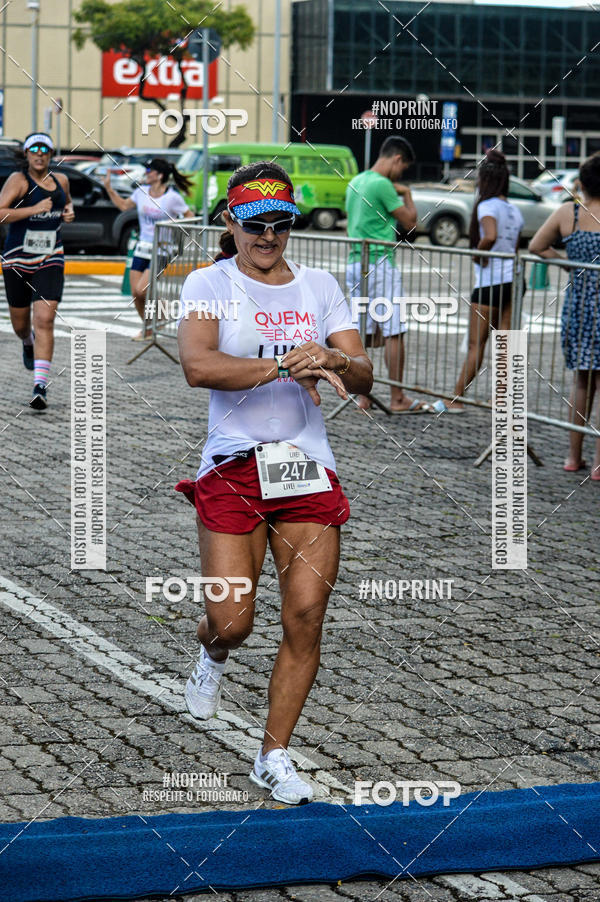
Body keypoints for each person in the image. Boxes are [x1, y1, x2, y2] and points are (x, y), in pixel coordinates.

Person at [175, 161, 372, 804]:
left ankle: (274, 754)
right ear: (231, 223)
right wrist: (287, 364)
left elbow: (364, 371)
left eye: (280, 223)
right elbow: (198, 366)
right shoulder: (209, 281)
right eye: (255, 224)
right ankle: (211, 651)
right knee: (232, 621)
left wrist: (336, 357)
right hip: (234, 464)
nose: (268, 236)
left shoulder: (318, 284)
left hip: (305, 464)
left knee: (307, 615)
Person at [437, 150, 524, 413]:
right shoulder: (514, 209)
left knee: (477, 344)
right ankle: (503, 399)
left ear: (484, 181)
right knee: (506, 345)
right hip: (514, 280)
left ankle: (455, 399)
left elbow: (490, 236)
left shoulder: (487, 206)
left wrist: (479, 254)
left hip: (490, 283)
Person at [530, 151, 600, 479]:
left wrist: (567, 263)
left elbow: (536, 246)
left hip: (579, 306)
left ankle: (574, 457)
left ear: (582, 183)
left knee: (581, 381)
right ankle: (599, 464)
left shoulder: (568, 212)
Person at [345, 135, 425, 412]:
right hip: (380, 262)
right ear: (397, 159)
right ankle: (397, 397)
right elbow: (411, 223)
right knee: (394, 330)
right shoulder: (382, 185)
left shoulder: (356, 181)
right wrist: (407, 194)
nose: (401, 174)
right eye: (402, 169)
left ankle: (364, 396)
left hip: (356, 262)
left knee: (364, 330)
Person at [0, 132, 74, 409]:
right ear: (27, 154)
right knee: (21, 325)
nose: (39, 155)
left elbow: (66, 204)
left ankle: (40, 386)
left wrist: (68, 213)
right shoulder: (18, 181)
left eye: (45, 151)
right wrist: (32, 209)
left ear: (51, 154)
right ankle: (27, 341)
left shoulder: (61, 181)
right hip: (18, 260)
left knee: (45, 318)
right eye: (34, 151)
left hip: (50, 257)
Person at [104, 157, 194, 339]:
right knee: (135, 294)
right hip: (142, 247)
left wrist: (174, 223)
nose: (146, 174)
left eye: (149, 171)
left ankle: (159, 311)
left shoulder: (172, 197)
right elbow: (123, 205)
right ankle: (149, 327)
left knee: (142, 289)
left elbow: (190, 216)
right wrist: (108, 188)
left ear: (159, 175)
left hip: (162, 249)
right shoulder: (141, 192)